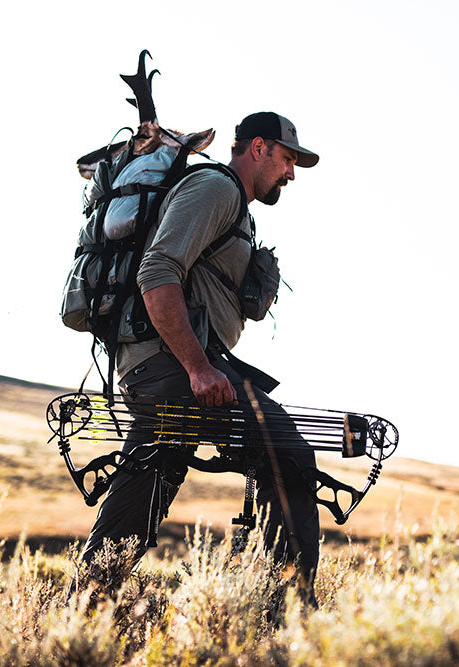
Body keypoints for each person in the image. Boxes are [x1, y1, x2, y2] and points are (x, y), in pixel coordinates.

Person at [78, 112, 321, 596]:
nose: (290, 174)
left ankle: (84, 609)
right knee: (287, 455)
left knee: (146, 482)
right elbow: (156, 272)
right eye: (287, 158)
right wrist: (198, 367)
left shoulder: (234, 205)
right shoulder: (216, 188)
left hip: (165, 364)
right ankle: (284, 613)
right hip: (172, 365)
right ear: (258, 148)